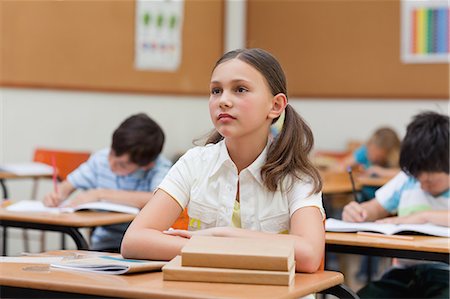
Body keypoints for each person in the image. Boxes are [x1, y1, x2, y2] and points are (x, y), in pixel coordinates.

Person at [121, 48, 325, 273]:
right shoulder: (194, 162)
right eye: (216, 90)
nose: (224, 101)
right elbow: (134, 241)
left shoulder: (296, 175)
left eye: (240, 89)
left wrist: (223, 235)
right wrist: (221, 246)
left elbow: (309, 256)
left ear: (275, 106)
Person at [342, 111, 449, 298]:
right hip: (402, 275)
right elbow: (376, 207)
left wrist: (423, 217)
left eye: (430, 182)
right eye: (418, 179)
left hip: (445, 274)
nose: (422, 186)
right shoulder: (407, 180)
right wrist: (359, 211)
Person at [44, 113, 172, 252]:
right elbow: (67, 186)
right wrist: (57, 195)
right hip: (106, 244)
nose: (111, 164)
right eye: (111, 153)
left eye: (122, 165)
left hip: (144, 246)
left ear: (147, 165)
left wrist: (101, 194)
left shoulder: (160, 167)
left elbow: (158, 199)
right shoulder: (101, 159)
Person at [340, 127, 401, 201]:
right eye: (370, 150)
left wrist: (378, 171)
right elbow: (343, 165)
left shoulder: (398, 158)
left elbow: (405, 174)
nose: (372, 156)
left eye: (378, 156)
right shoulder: (365, 151)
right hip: (365, 198)